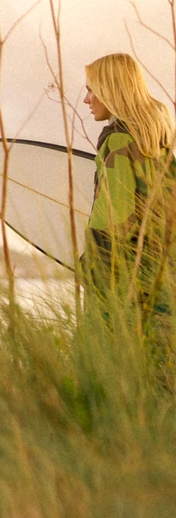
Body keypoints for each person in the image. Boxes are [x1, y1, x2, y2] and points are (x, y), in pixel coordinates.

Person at [82, 53, 176, 322]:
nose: (87, 99)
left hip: (129, 290)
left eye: (91, 89)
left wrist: (90, 269)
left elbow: (114, 219)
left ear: (110, 90)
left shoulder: (119, 142)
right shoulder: (156, 143)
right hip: (165, 282)